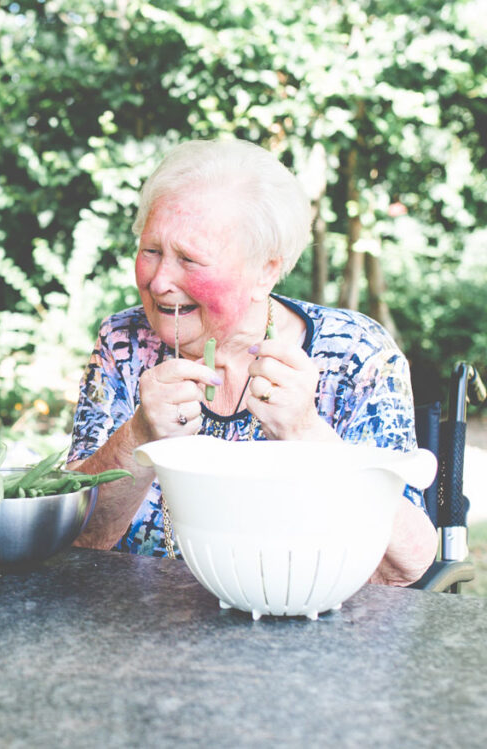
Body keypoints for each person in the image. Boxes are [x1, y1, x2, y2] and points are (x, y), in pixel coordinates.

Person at [67, 138, 437, 586]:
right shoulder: (123, 343)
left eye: (188, 258)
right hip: (140, 634)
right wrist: (140, 436)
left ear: (266, 270)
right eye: (151, 251)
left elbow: (407, 565)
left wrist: (306, 435)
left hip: (304, 633)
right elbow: (76, 538)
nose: (160, 280)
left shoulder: (355, 354)